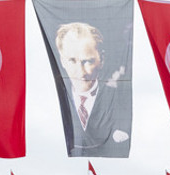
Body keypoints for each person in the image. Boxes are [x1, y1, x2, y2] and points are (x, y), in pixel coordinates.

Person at [54, 22, 131, 157]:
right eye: (72, 60)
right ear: (62, 61)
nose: (81, 72)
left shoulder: (119, 104)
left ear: (101, 59)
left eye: (87, 61)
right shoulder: (52, 105)